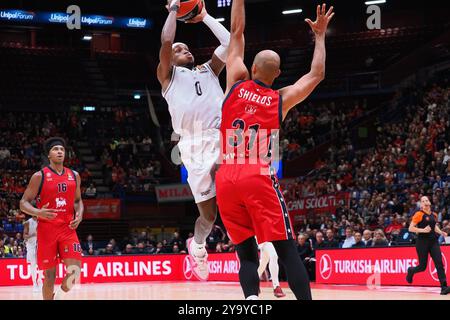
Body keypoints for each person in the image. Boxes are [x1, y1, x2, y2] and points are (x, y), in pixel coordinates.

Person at [215, 0, 334, 300]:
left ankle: (252, 301)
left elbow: (237, 31)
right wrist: (319, 37)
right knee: (286, 247)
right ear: (278, 73)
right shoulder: (281, 98)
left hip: (226, 177)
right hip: (257, 175)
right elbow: (316, 74)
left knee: (245, 254)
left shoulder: (235, 83)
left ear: (252, 67)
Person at [157, 0, 230, 281]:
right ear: (169, 59)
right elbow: (166, 40)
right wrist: (174, 9)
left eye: (186, 47)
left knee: (237, 181)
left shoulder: (208, 69)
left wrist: (206, 17)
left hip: (219, 136)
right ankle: (197, 247)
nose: (183, 49)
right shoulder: (168, 77)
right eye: (179, 49)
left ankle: (256, 242)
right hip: (192, 145)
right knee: (208, 217)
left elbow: (230, 41)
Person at [20, 137, 83, 300]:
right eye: (55, 149)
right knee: (49, 277)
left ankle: (59, 297)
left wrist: (80, 214)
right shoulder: (39, 176)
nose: (60, 151)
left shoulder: (74, 175)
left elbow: (77, 201)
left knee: (75, 271)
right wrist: (38, 212)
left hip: (68, 229)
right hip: (47, 230)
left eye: (62, 149)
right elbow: (23, 203)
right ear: (49, 155)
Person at [406, 196, 450, 295]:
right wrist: (422, 230)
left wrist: (441, 232)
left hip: (433, 241)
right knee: (422, 267)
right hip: (422, 242)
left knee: (439, 263)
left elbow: (434, 227)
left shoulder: (433, 214)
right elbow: (410, 228)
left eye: (426, 200)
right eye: (423, 201)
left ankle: (444, 287)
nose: (425, 202)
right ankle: (411, 271)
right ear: (421, 205)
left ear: (429, 202)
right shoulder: (418, 214)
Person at [23, 215, 43, 292]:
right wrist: (33, 235)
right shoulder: (28, 222)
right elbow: (24, 236)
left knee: (41, 264)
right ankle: (34, 283)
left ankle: (40, 280)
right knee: (33, 265)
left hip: (40, 244)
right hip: (31, 245)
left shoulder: (42, 221)